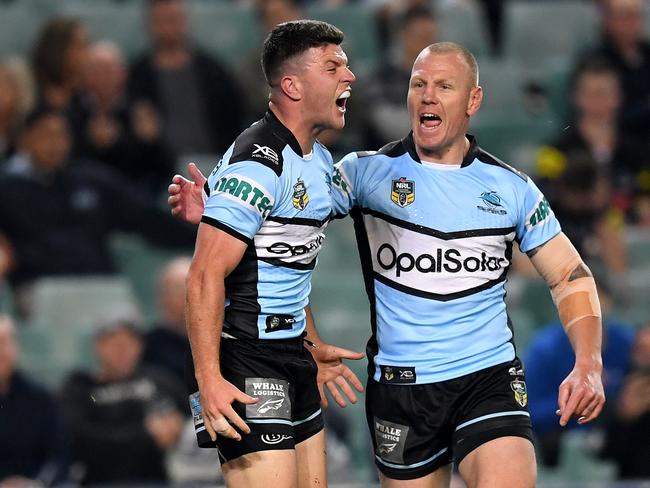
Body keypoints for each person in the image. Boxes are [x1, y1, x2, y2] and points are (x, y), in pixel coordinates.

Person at [169, 41, 606, 487]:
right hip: (401, 390)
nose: (428, 95)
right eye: (419, 84)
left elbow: (571, 275)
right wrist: (218, 208)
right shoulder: (363, 174)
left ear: (473, 99)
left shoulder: (512, 188)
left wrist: (588, 361)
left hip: (487, 376)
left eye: (444, 85)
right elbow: (286, 215)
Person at [180, 20, 363, 488]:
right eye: (333, 66)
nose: (350, 76)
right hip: (245, 360)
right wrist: (209, 379)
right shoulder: (258, 165)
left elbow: (285, 262)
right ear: (292, 85)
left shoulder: (318, 161)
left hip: (293, 357)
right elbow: (203, 276)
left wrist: (312, 343)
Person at [0, 108, 195, 317]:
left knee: (129, 323)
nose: (55, 143)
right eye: (46, 135)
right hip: (42, 288)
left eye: (62, 135)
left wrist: (204, 232)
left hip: (101, 284)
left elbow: (147, 218)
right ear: (25, 140)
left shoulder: (92, 181)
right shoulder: (7, 190)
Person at [60, 318, 186, 485]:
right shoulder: (82, 388)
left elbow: (195, 412)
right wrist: (145, 434)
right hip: (101, 480)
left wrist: (178, 427)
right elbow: (79, 438)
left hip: (159, 478)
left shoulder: (161, 380)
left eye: (130, 342)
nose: (123, 350)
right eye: (114, 343)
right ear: (97, 346)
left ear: (140, 347)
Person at [525, 283, 633, 467]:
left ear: (609, 300)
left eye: (596, 296)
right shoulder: (545, 349)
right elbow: (531, 413)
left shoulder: (626, 342)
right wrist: (573, 401)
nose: (589, 305)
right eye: (580, 297)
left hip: (616, 434)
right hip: (560, 438)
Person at [128, 0, 243, 158]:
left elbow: (234, 120)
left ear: (185, 21)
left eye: (173, 19)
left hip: (216, 161)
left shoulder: (214, 71)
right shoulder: (138, 75)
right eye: (161, 21)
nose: (168, 27)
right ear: (149, 25)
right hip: (158, 168)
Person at [75, 41, 175, 197]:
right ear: (85, 76)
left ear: (123, 74)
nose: (103, 79)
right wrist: (92, 143)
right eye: (96, 72)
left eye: (108, 71)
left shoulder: (140, 110)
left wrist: (150, 141)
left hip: (135, 194)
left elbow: (165, 167)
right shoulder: (75, 110)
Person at [0, 315, 70, 486]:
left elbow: (59, 456)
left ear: (16, 347)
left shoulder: (40, 397)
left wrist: (36, 483)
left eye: (3, 343)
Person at [600, 324, 650, 479]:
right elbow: (605, 451)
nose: (644, 357)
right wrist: (624, 417)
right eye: (640, 350)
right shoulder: (617, 388)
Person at [141, 255, 192, 384]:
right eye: (179, 289)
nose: (188, 295)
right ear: (162, 297)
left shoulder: (226, 339)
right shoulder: (145, 346)